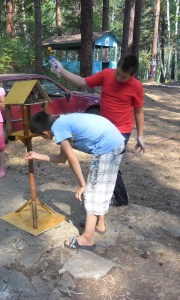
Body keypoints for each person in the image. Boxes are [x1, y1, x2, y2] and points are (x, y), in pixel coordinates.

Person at [49, 54, 145, 207]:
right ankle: (113, 198)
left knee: (107, 163)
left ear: (132, 75)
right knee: (107, 163)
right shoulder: (107, 74)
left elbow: (138, 111)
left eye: (124, 76)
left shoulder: (136, 87)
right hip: (102, 128)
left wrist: (140, 135)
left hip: (121, 130)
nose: (119, 78)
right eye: (118, 73)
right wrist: (61, 70)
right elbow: (82, 81)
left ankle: (109, 200)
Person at [26, 111, 125, 250]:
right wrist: (37, 155)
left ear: (45, 132)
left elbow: (73, 159)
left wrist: (82, 185)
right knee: (100, 189)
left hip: (107, 147)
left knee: (92, 192)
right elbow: (62, 158)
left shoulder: (58, 128)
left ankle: (87, 238)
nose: (42, 138)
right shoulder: (61, 124)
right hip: (114, 143)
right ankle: (99, 224)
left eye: (39, 136)